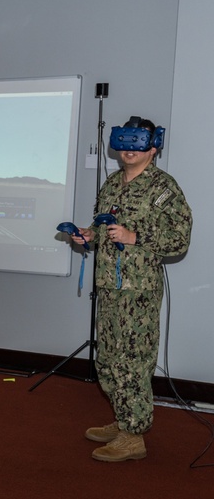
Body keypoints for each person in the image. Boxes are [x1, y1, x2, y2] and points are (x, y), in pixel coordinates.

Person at [74, 117, 192, 462]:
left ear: (152, 148)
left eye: (135, 143)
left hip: (137, 292)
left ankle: (134, 436)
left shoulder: (163, 188)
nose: (127, 150)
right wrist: (88, 236)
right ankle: (124, 419)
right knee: (108, 360)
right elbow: (102, 227)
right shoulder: (112, 183)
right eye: (123, 143)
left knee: (133, 362)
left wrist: (135, 237)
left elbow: (180, 240)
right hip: (109, 286)